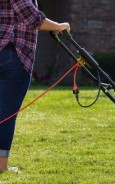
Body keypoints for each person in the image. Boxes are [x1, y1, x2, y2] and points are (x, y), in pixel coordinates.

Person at [0, 0, 70, 172]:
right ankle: (1, 166)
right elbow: (32, 18)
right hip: (13, 54)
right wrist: (59, 25)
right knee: (7, 115)